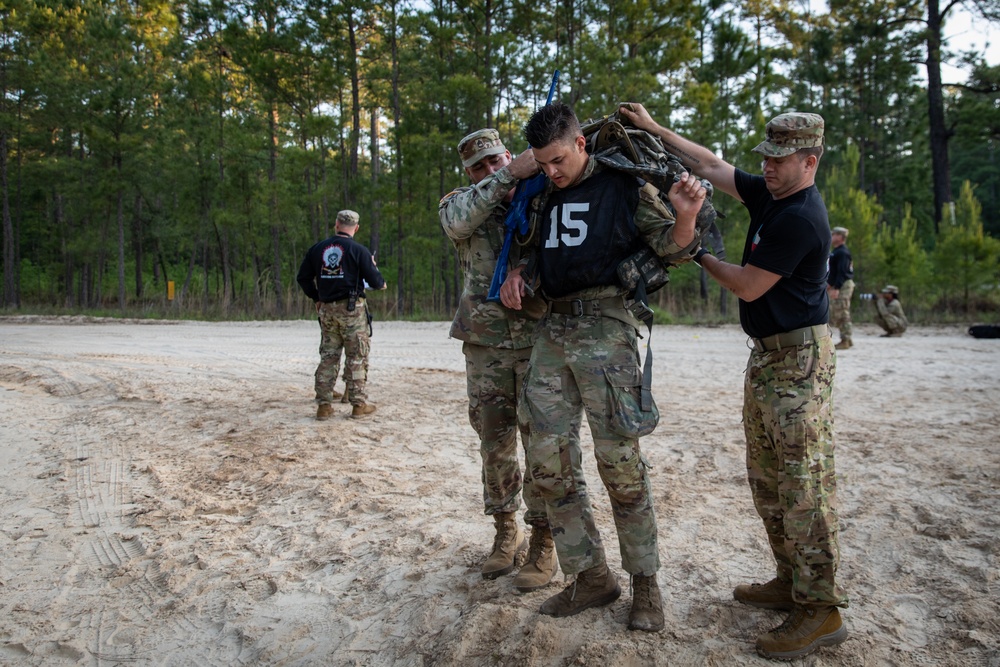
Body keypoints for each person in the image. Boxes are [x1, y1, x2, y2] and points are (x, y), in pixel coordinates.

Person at [619, 103, 849, 660]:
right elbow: (712, 164)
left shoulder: (801, 217)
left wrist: (695, 250)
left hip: (797, 363)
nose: (766, 168)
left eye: (780, 159)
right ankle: (790, 581)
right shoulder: (776, 193)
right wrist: (653, 131)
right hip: (770, 360)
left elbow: (748, 286)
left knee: (803, 486)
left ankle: (821, 609)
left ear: (810, 161)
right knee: (768, 479)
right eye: (765, 158)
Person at [500, 102, 703, 633]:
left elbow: (673, 247)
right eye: (542, 163)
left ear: (581, 144)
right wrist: (521, 271)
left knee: (620, 464)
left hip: (606, 332)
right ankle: (590, 575)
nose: (551, 171)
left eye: (558, 159)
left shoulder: (623, 185)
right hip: (553, 332)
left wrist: (684, 215)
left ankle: (646, 585)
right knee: (548, 463)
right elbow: (538, 249)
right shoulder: (543, 193)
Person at [438, 128, 557, 590]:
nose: (489, 170)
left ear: (509, 153)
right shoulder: (461, 201)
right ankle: (505, 533)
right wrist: (507, 176)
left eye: (496, 161)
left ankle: (542, 539)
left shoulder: (541, 195)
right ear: (468, 173)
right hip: (485, 341)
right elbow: (458, 222)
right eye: (479, 167)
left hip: (536, 338)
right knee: (495, 442)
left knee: (542, 442)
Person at [296, 210, 386, 420]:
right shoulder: (358, 250)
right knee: (356, 356)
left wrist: (316, 297)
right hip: (351, 309)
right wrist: (375, 272)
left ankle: (324, 405)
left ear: (336, 224)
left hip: (327, 309)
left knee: (328, 355)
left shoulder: (317, 249)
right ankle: (357, 404)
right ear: (356, 228)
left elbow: (303, 278)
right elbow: (377, 282)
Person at [827, 226, 855, 349]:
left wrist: (836, 288)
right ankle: (847, 339)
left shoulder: (842, 252)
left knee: (842, 311)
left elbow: (842, 272)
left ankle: (846, 340)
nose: (832, 236)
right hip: (838, 284)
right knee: (837, 311)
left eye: (834, 234)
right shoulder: (837, 251)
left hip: (843, 284)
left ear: (840, 237)